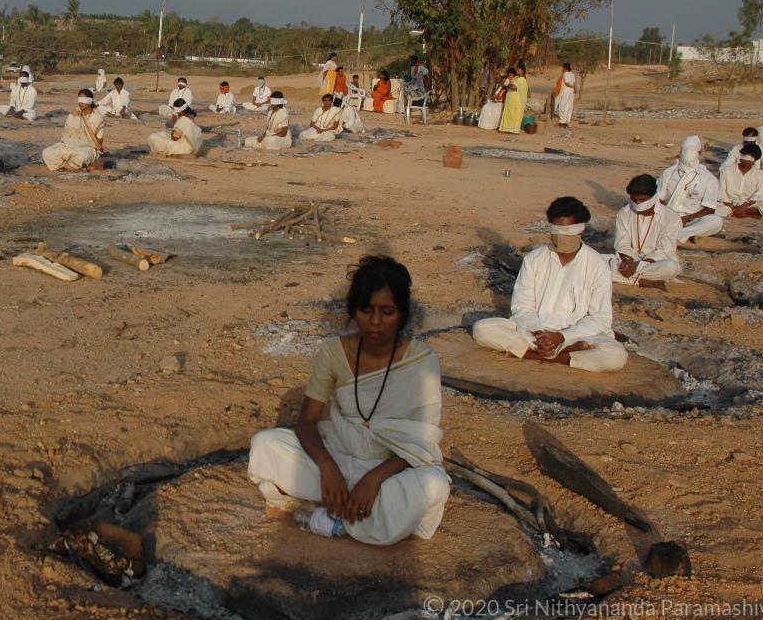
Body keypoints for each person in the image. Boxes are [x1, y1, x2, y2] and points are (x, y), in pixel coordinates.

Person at [247, 256, 449, 544]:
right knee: (265, 445)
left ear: (402, 315)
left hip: (390, 469)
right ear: (353, 311)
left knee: (434, 486)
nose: (375, 322)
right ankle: (361, 516)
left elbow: (421, 441)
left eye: (387, 312)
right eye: (366, 310)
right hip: (338, 455)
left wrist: (374, 479)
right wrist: (328, 468)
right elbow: (306, 422)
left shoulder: (422, 360)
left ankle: (326, 518)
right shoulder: (333, 352)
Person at [471, 196, 628, 372]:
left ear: (581, 229)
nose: (561, 237)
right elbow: (522, 307)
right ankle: (562, 356)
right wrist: (539, 333)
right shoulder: (534, 259)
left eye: (567, 231)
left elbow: (600, 319)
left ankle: (532, 354)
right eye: (556, 230)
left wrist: (560, 337)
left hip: (575, 335)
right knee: (482, 329)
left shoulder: (597, 266)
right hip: (535, 333)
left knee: (615, 356)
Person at [609, 174, 682, 289]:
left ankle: (628, 278)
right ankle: (642, 281)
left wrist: (637, 266)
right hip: (628, 261)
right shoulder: (624, 213)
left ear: (653, 197)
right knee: (595, 261)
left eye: (642, 200)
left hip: (655, 263)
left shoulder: (671, 217)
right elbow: (622, 244)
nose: (638, 203)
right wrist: (627, 261)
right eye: (634, 199)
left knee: (671, 267)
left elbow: (665, 250)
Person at [656, 135, 722, 242]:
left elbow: (710, 208)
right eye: (686, 150)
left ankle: (680, 234)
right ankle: (686, 234)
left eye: (693, 151)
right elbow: (658, 198)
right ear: (680, 152)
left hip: (691, 219)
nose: (689, 154)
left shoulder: (708, 178)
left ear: (699, 153)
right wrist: (667, 215)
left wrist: (688, 218)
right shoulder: (668, 173)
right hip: (667, 216)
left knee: (716, 221)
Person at [42, 90, 106, 172]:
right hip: (68, 146)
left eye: (84, 100)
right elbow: (65, 135)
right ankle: (67, 166)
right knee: (46, 152)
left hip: (86, 149)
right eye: (79, 100)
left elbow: (99, 142)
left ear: (90, 101)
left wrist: (85, 142)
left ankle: (61, 164)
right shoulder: (73, 114)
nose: (80, 103)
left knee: (81, 156)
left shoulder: (97, 119)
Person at [717, 143, 763, 221]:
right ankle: (744, 213)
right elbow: (721, 192)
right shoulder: (726, 171)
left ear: (755, 160)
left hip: (748, 205)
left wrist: (746, 205)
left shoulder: (760, 175)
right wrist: (731, 206)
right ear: (741, 157)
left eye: (752, 159)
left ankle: (742, 212)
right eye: (747, 157)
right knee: (715, 206)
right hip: (728, 204)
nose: (749, 162)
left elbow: (760, 194)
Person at [498, 63, 529, 133]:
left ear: (522, 71)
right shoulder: (516, 78)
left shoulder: (522, 79)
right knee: (509, 115)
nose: (517, 71)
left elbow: (513, 87)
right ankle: (507, 129)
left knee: (514, 116)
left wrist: (509, 85)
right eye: (517, 70)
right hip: (511, 101)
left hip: (516, 102)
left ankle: (513, 130)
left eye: (518, 70)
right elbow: (508, 85)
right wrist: (509, 85)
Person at [554, 62, 577, 127]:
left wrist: (572, 87)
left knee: (562, 104)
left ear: (565, 68)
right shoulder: (572, 74)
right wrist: (574, 88)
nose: (562, 69)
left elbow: (567, 83)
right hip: (572, 91)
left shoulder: (565, 74)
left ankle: (562, 121)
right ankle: (567, 120)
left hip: (566, 90)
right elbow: (574, 82)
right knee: (569, 105)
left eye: (563, 67)